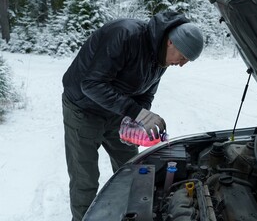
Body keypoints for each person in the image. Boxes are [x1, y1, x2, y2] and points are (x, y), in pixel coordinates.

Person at [61, 11, 204, 221]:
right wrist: (135, 111)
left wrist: (137, 118)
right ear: (171, 42)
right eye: (182, 57)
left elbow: (147, 93)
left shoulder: (160, 59)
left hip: (117, 110)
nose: (181, 64)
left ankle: (129, 214)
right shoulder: (125, 35)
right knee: (85, 177)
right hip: (83, 109)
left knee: (133, 167)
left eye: (186, 61)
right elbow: (91, 84)